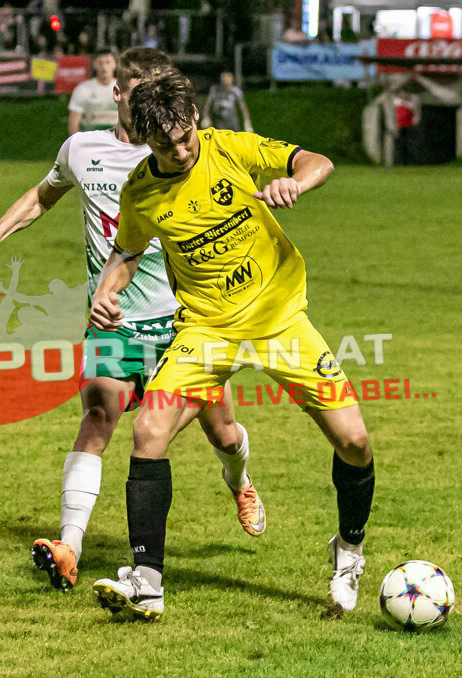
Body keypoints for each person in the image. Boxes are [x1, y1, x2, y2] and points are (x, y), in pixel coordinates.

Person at [0, 48, 264, 593]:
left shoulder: (185, 153)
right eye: (138, 87)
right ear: (119, 94)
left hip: (187, 320)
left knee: (222, 431)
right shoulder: (83, 149)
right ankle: (69, 545)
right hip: (114, 317)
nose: (149, 98)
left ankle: (239, 478)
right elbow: (43, 195)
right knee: (100, 410)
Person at [89, 70, 375, 622]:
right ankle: (148, 581)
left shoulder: (231, 148)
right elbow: (126, 253)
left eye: (185, 136)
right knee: (149, 430)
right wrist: (106, 292)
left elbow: (317, 162)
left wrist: (297, 183)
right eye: (165, 145)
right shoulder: (142, 192)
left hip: (280, 321)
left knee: (355, 441)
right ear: (146, 142)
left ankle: (349, 552)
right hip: (206, 332)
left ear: (196, 118)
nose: (180, 151)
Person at [67, 52, 118, 135]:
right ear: (94, 65)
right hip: (91, 141)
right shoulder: (83, 89)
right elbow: (73, 125)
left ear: (115, 64)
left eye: (108, 62)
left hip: (118, 141)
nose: (104, 67)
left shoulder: (124, 88)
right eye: (100, 63)